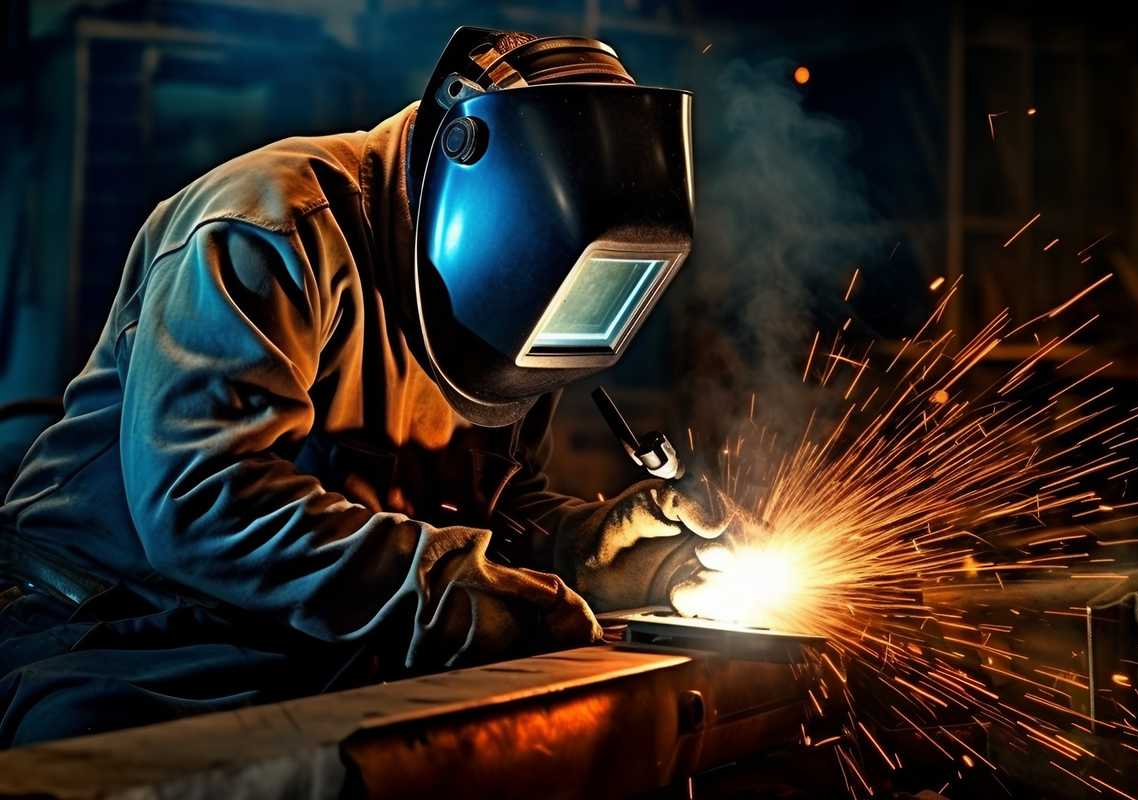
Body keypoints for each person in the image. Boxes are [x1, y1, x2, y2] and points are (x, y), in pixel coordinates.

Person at [0, 28, 732, 748]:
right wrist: (444, 593)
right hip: (116, 625)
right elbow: (203, 501)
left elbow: (480, 496)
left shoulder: (535, 303)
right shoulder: (269, 226)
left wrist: (580, 551)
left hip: (307, 636)